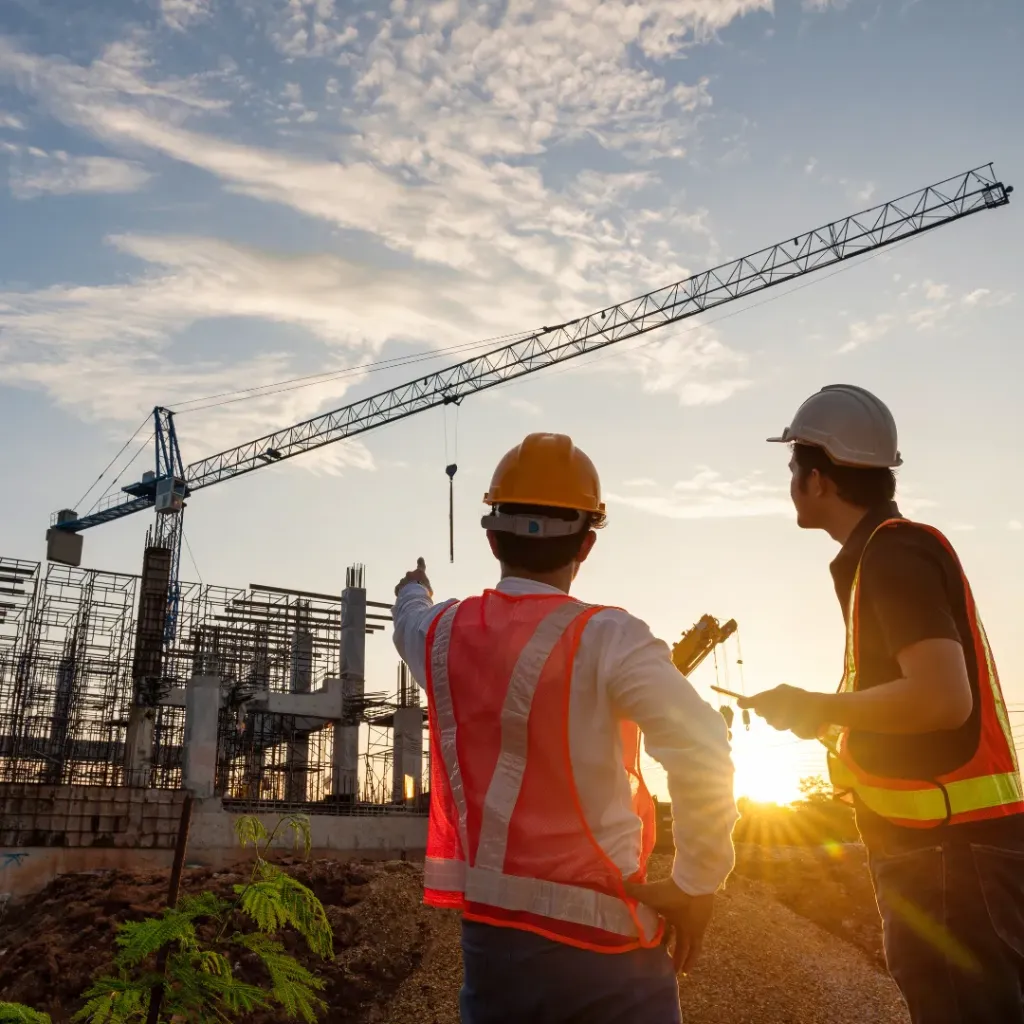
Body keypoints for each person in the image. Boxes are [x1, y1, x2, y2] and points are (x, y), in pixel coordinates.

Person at [392, 432, 737, 1024]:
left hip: (494, 952)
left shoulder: (443, 635)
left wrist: (412, 586)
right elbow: (703, 745)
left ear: (491, 534)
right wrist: (696, 881)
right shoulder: (610, 638)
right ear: (588, 544)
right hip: (607, 956)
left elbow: (409, 621)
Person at [739, 384, 1024, 1024]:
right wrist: (827, 717)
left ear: (817, 479)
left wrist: (820, 703)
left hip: (950, 862)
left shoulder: (892, 554)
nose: (790, 481)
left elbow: (941, 698)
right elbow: (922, 708)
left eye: (793, 468)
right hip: (955, 855)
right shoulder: (883, 556)